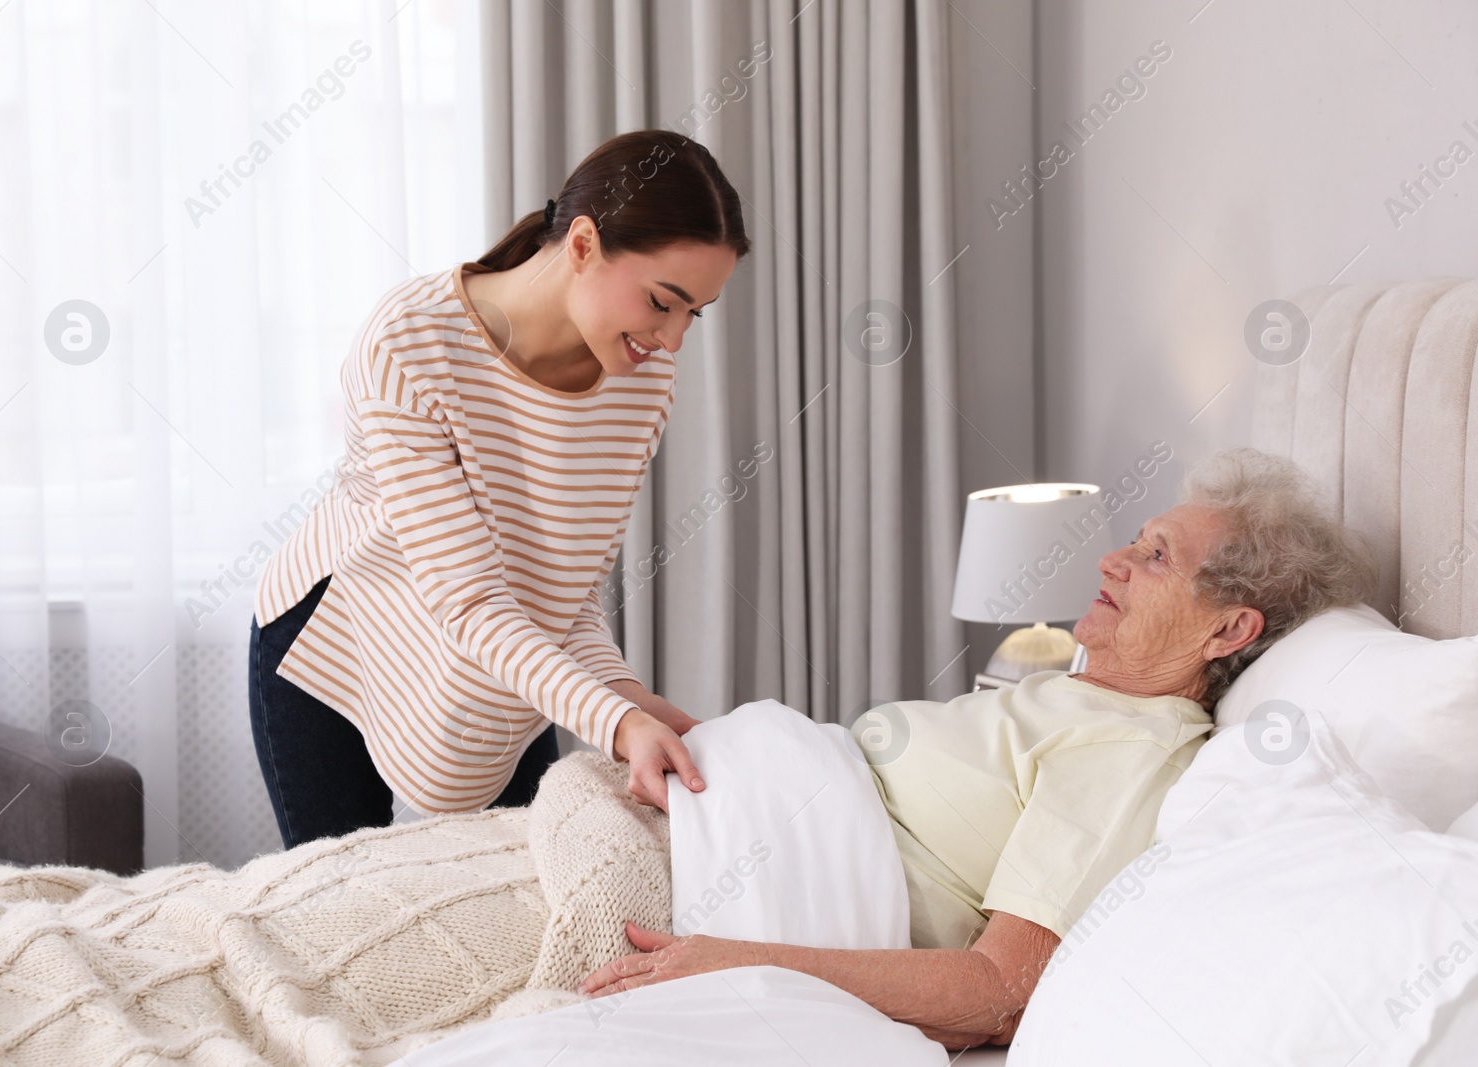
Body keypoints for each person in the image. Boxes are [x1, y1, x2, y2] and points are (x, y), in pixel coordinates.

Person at [579, 448, 1378, 1049]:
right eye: (1136, 541)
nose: (1113, 560)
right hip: (698, 815)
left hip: (710, 888)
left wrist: (740, 961)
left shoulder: (1131, 747)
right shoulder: (1081, 696)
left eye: (1157, 555)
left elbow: (1003, 987)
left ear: (1228, 629)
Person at [248, 130, 751, 849]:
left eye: (692, 314)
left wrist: (630, 698)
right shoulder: (408, 345)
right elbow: (471, 599)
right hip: (336, 644)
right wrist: (615, 720)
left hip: (494, 665)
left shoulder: (641, 384)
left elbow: (564, 593)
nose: (671, 341)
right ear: (583, 244)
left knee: (512, 898)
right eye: (662, 302)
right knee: (337, 915)